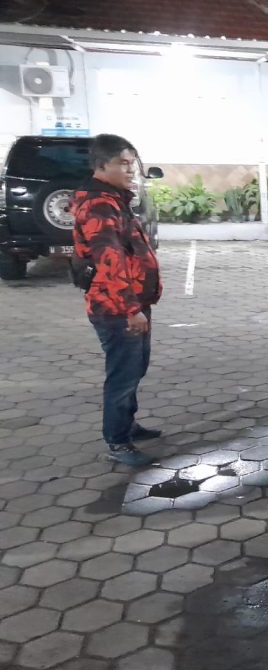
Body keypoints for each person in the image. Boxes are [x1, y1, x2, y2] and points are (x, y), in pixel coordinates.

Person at [72, 134, 162, 467]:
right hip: (117, 309)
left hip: (129, 304)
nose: (130, 170)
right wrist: (131, 309)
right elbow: (109, 262)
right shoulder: (98, 205)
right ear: (101, 165)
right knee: (123, 375)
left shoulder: (113, 200)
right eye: (122, 163)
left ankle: (127, 424)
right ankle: (118, 441)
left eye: (131, 163)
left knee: (134, 369)